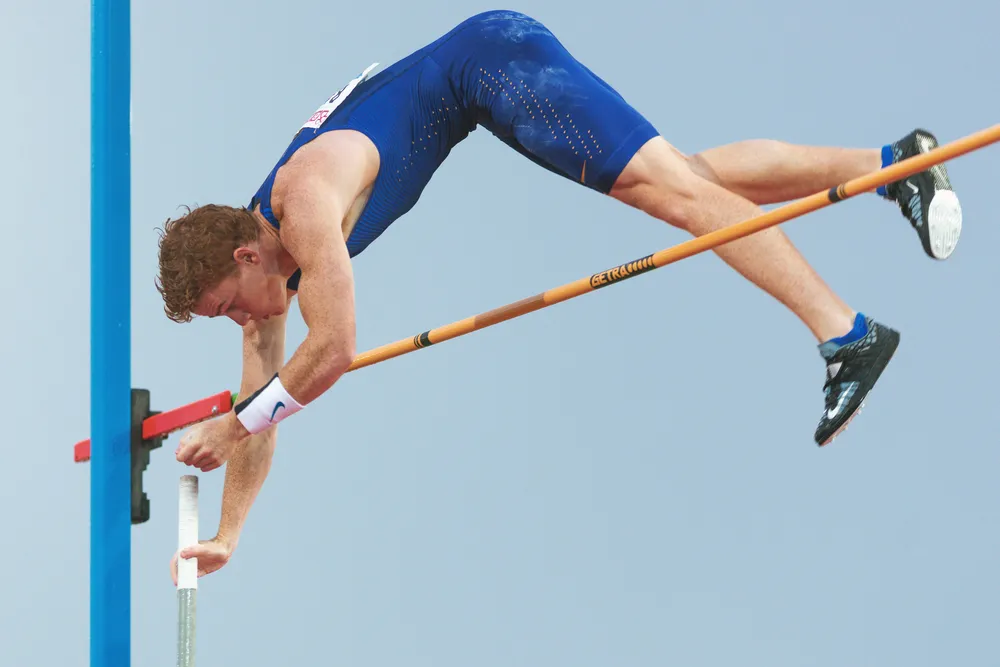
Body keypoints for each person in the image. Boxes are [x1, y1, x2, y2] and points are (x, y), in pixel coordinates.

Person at [160, 10, 962, 581]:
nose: (243, 319)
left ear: (245, 251)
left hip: (493, 66)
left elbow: (331, 349)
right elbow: (262, 405)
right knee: (688, 177)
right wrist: (230, 531)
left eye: (232, 303)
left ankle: (844, 334)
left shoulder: (301, 207)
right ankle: (897, 164)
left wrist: (238, 422)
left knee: (677, 198)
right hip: (480, 76)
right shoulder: (268, 264)